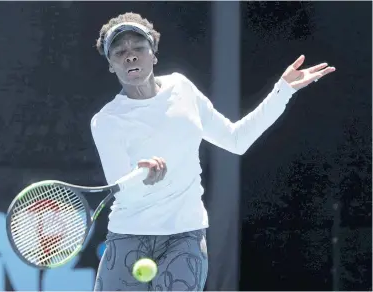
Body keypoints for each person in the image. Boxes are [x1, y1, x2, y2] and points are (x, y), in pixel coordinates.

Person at [91, 12, 336, 291]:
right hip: (128, 237)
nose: (130, 56)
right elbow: (125, 194)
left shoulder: (182, 88)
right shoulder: (106, 121)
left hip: (184, 238)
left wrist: (282, 92)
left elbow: (236, 140)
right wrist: (141, 178)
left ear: (154, 55)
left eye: (138, 48)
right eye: (120, 52)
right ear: (111, 65)